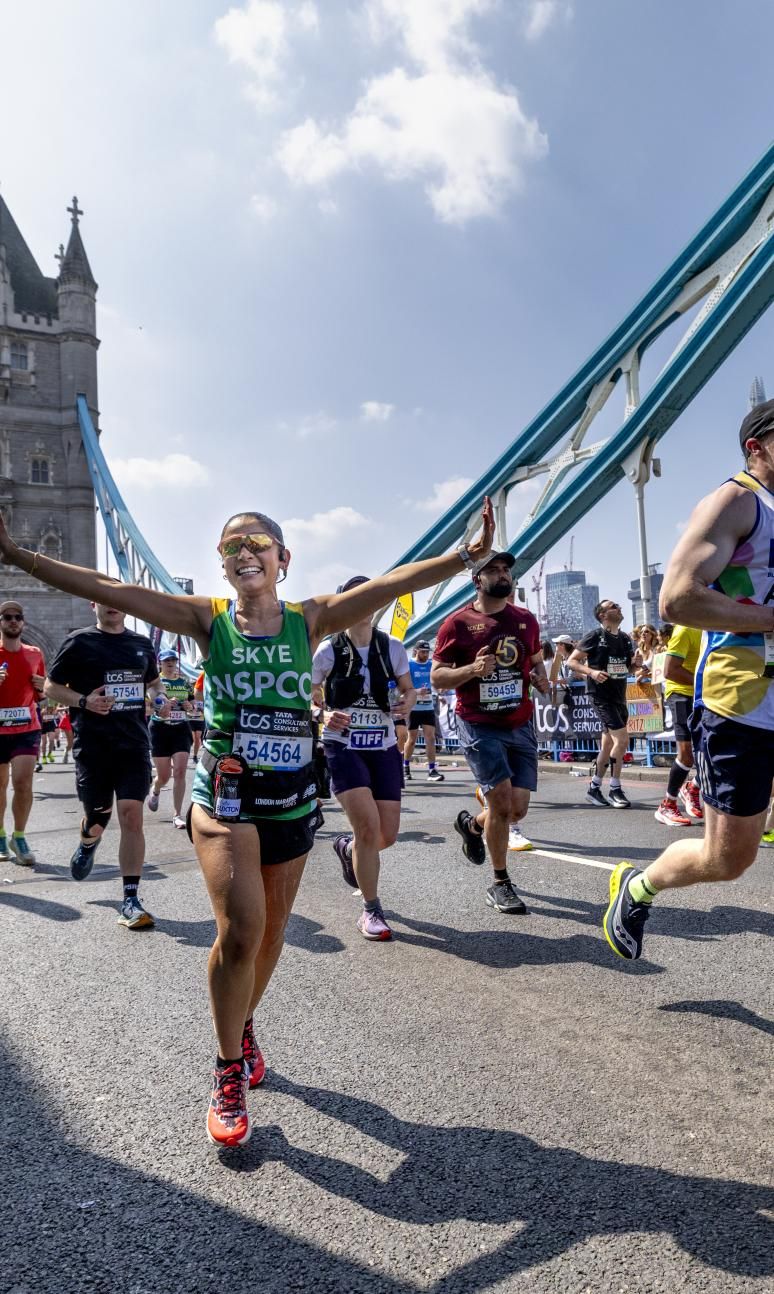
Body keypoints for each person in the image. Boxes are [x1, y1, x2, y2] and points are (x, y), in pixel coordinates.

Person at [0, 499, 494, 1146]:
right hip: (226, 797)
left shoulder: (308, 619)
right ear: (224, 566)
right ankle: (228, 1068)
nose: (244, 552)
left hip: (291, 797)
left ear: (283, 560)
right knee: (242, 930)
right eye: (231, 545)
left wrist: (466, 557)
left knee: (269, 939)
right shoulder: (206, 620)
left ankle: (243, 1022)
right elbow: (111, 586)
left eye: (258, 542)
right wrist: (14, 555)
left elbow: (388, 585)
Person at [604, 399, 774, 959]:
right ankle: (638, 886)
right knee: (728, 860)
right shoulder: (737, 501)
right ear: (758, 447)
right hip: (741, 704)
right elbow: (676, 599)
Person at [431, 551, 548, 915]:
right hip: (480, 723)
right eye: (493, 569)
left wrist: (540, 680)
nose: (502, 574)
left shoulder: (526, 620)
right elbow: (437, 677)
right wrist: (472, 669)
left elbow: (534, 662)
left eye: (505, 569)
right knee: (500, 801)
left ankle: (471, 825)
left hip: (520, 720)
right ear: (476, 581)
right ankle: (500, 883)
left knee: (517, 810)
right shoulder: (457, 624)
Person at [44, 603, 165, 928]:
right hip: (93, 746)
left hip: (133, 744)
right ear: (93, 604)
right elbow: (50, 687)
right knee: (98, 818)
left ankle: (131, 900)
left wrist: (161, 698)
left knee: (131, 815)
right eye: (103, 597)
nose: (112, 604)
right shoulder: (78, 642)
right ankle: (88, 842)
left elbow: (154, 683)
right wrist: (85, 701)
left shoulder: (142, 644)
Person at [312, 575, 416, 941]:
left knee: (386, 835)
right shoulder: (328, 650)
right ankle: (371, 910)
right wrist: (322, 713)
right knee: (369, 830)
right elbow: (307, 693)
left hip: (384, 746)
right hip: (344, 745)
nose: (365, 604)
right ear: (343, 603)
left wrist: (408, 702)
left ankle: (348, 849)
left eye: (371, 597)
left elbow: (409, 690)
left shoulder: (394, 647)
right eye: (356, 597)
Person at [567, 600, 635, 809]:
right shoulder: (595, 635)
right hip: (600, 696)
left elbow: (626, 669)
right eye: (613, 606)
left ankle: (594, 788)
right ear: (603, 615)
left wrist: (637, 667)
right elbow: (572, 661)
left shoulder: (624, 638)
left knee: (607, 745)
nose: (619, 607)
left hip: (619, 696)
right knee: (622, 741)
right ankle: (615, 788)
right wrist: (592, 672)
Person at [0, 600, 45, 866]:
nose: (13, 620)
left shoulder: (35, 654)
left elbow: (41, 694)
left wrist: (43, 686)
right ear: (1, 623)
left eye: (18, 616)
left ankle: (19, 836)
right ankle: (0, 836)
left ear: (23, 622)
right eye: (7, 617)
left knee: (23, 783)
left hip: (26, 727)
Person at [654, 623, 703, 827]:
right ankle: (667, 805)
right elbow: (670, 671)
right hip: (681, 693)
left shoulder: (713, 627)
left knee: (710, 752)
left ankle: (692, 788)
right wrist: (704, 682)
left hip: (703, 695)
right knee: (686, 755)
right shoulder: (684, 630)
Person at [147, 647, 194, 829]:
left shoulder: (185, 682)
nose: (170, 663)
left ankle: (177, 814)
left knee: (180, 772)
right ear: (160, 663)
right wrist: (163, 705)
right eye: (166, 661)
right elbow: (147, 708)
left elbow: (194, 706)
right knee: (164, 776)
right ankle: (157, 788)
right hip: (159, 729)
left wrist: (189, 706)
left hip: (181, 728)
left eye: (173, 660)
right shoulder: (155, 683)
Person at [402, 640, 444, 784]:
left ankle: (432, 769)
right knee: (411, 739)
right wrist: (417, 692)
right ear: (416, 651)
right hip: (414, 707)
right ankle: (405, 767)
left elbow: (436, 681)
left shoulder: (431, 665)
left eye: (427, 652)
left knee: (430, 738)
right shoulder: (409, 665)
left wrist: (439, 690)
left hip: (428, 706)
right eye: (423, 652)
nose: (426, 655)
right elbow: (404, 688)